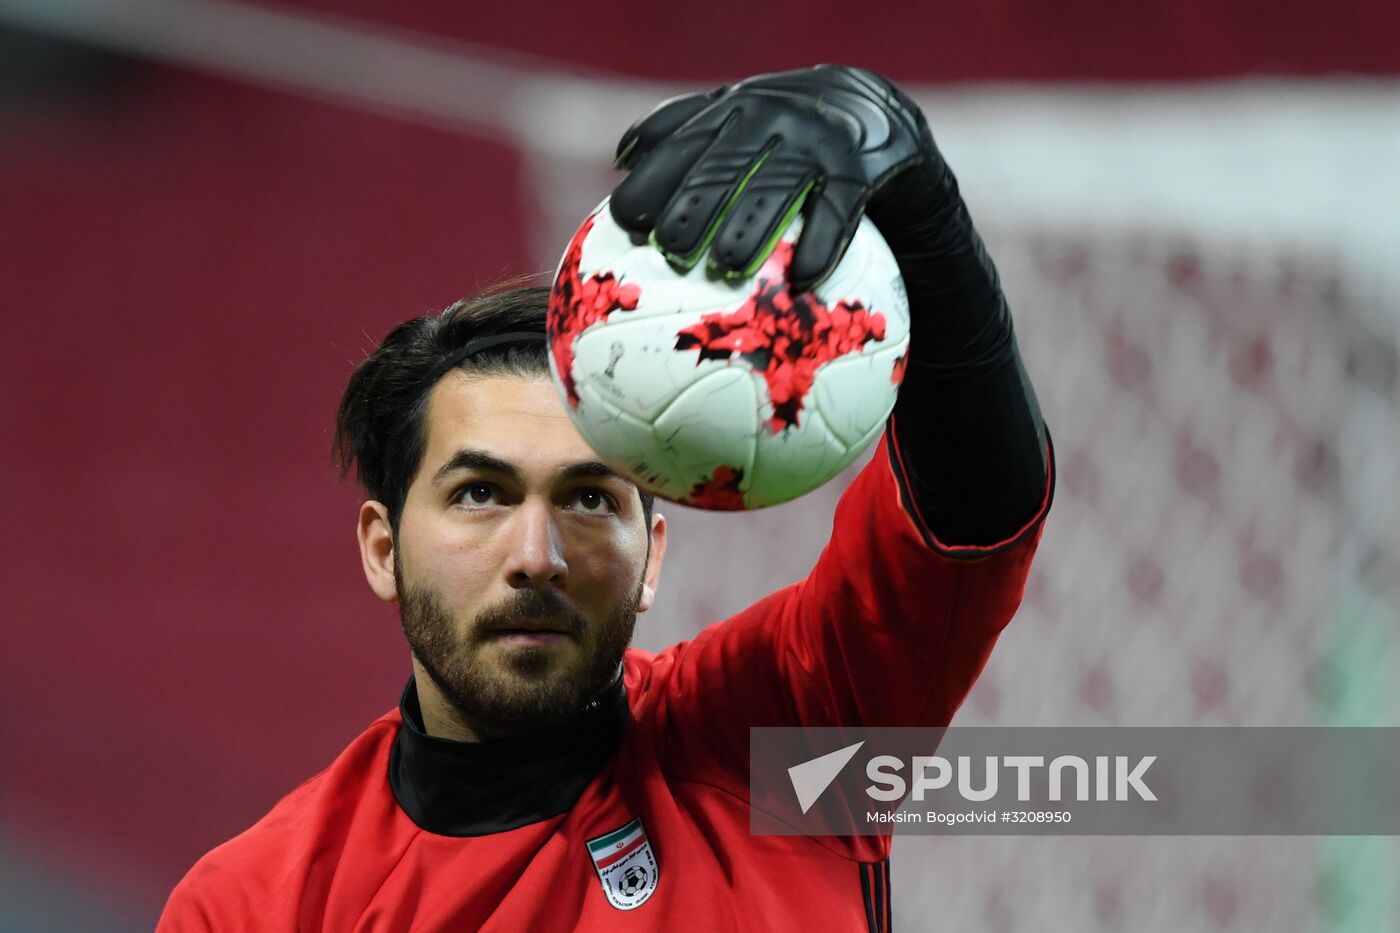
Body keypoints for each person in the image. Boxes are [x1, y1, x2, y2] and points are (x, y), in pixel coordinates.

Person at [158, 65, 1053, 932]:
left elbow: (975, 514)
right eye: (479, 493)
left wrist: (927, 221)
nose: (536, 557)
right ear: (383, 548)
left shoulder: (786, 744)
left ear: (653, 550)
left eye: (589, 500)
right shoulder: (259, 906)